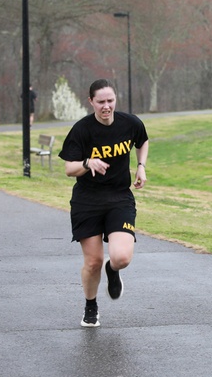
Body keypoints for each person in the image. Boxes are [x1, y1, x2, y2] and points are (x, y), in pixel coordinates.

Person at [59, 79, 149, 328]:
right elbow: (69, 168)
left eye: (110, 101)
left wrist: (141, 166)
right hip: (87, 202)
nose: (106, 106)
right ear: (91, 102)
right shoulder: (82, 130)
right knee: (93, 261)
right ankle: (91, 305)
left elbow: (142, 141)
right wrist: (88, 163)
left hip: (119, 197)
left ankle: (113, 271)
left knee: (121, 258)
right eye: (101, 102)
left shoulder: (130, 123)